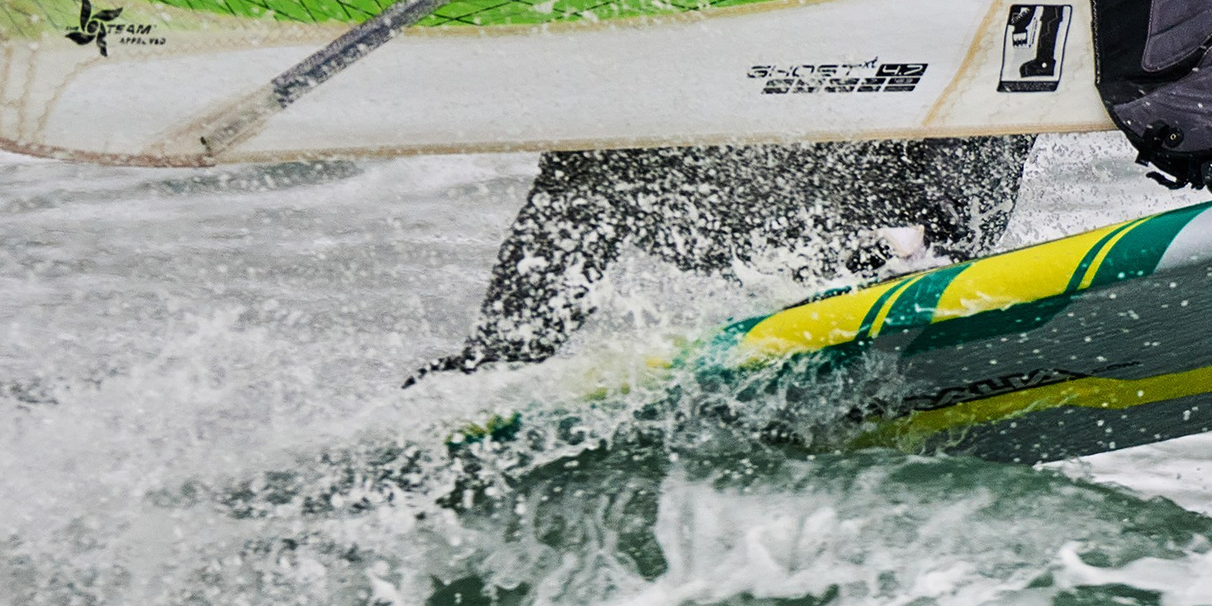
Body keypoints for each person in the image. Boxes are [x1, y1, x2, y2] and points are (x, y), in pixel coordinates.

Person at [416, 135, 1036, 375]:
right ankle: (505, 358)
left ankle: (935, 265)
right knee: (596, 153)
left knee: (990, 68)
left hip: (886, 203)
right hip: (743, 191)